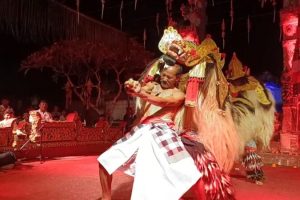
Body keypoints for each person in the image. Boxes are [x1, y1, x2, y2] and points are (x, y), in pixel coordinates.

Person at [98, 64, 203, 200]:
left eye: (169, 77)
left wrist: (140, 93)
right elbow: (140, 88)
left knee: (184, 171)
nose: (164, 79)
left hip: (163, 131)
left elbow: (162, 102)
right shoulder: (153, 86)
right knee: (105, 160)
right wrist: (131, 86)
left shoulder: (179, 94)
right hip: (142, 130)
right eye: (163, 75)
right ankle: (106, 198)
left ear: (177, 79)